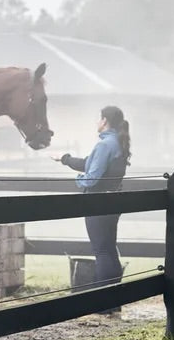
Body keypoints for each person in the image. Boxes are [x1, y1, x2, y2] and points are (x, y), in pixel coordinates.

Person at [54, 105, 131, 303]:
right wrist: (65, 159)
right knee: (109, 249)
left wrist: (78, 181)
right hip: (112, 202)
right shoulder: (115, 143)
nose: (97, 122)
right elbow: (89, 163)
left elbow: (92, 178)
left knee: (101, 251)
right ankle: (113, 300)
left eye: (99, 119)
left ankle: (102, 301)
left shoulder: (104, 145)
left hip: (98, 203)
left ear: (104, 120)